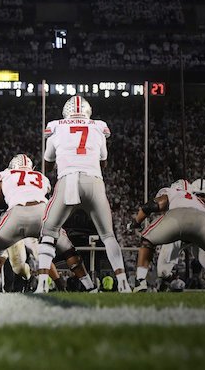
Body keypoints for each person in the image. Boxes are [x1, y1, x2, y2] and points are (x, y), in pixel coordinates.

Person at [37, 96, 130, 292]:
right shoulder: (98, 126)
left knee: (48, 232)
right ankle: (123, 283)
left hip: (67, 180)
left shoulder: (55, 126)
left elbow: (47, 163)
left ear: (65, 112)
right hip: (94, 181)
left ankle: (42, 284)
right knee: (108, 235)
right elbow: (104, 162)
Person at [0, 154, 97, 293]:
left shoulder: (5, 174)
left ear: (12, 166)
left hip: (17, 213)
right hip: (43, 214)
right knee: (68, 250)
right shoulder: (41, 177)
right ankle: (90, 287)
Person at [132, 180, 205, 292]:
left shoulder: (172, 192)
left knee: (147, 241)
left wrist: (136, 222)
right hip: (201, 225)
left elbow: (151, 206)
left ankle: (140, 281)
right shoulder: (199, 201)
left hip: (177, 224)